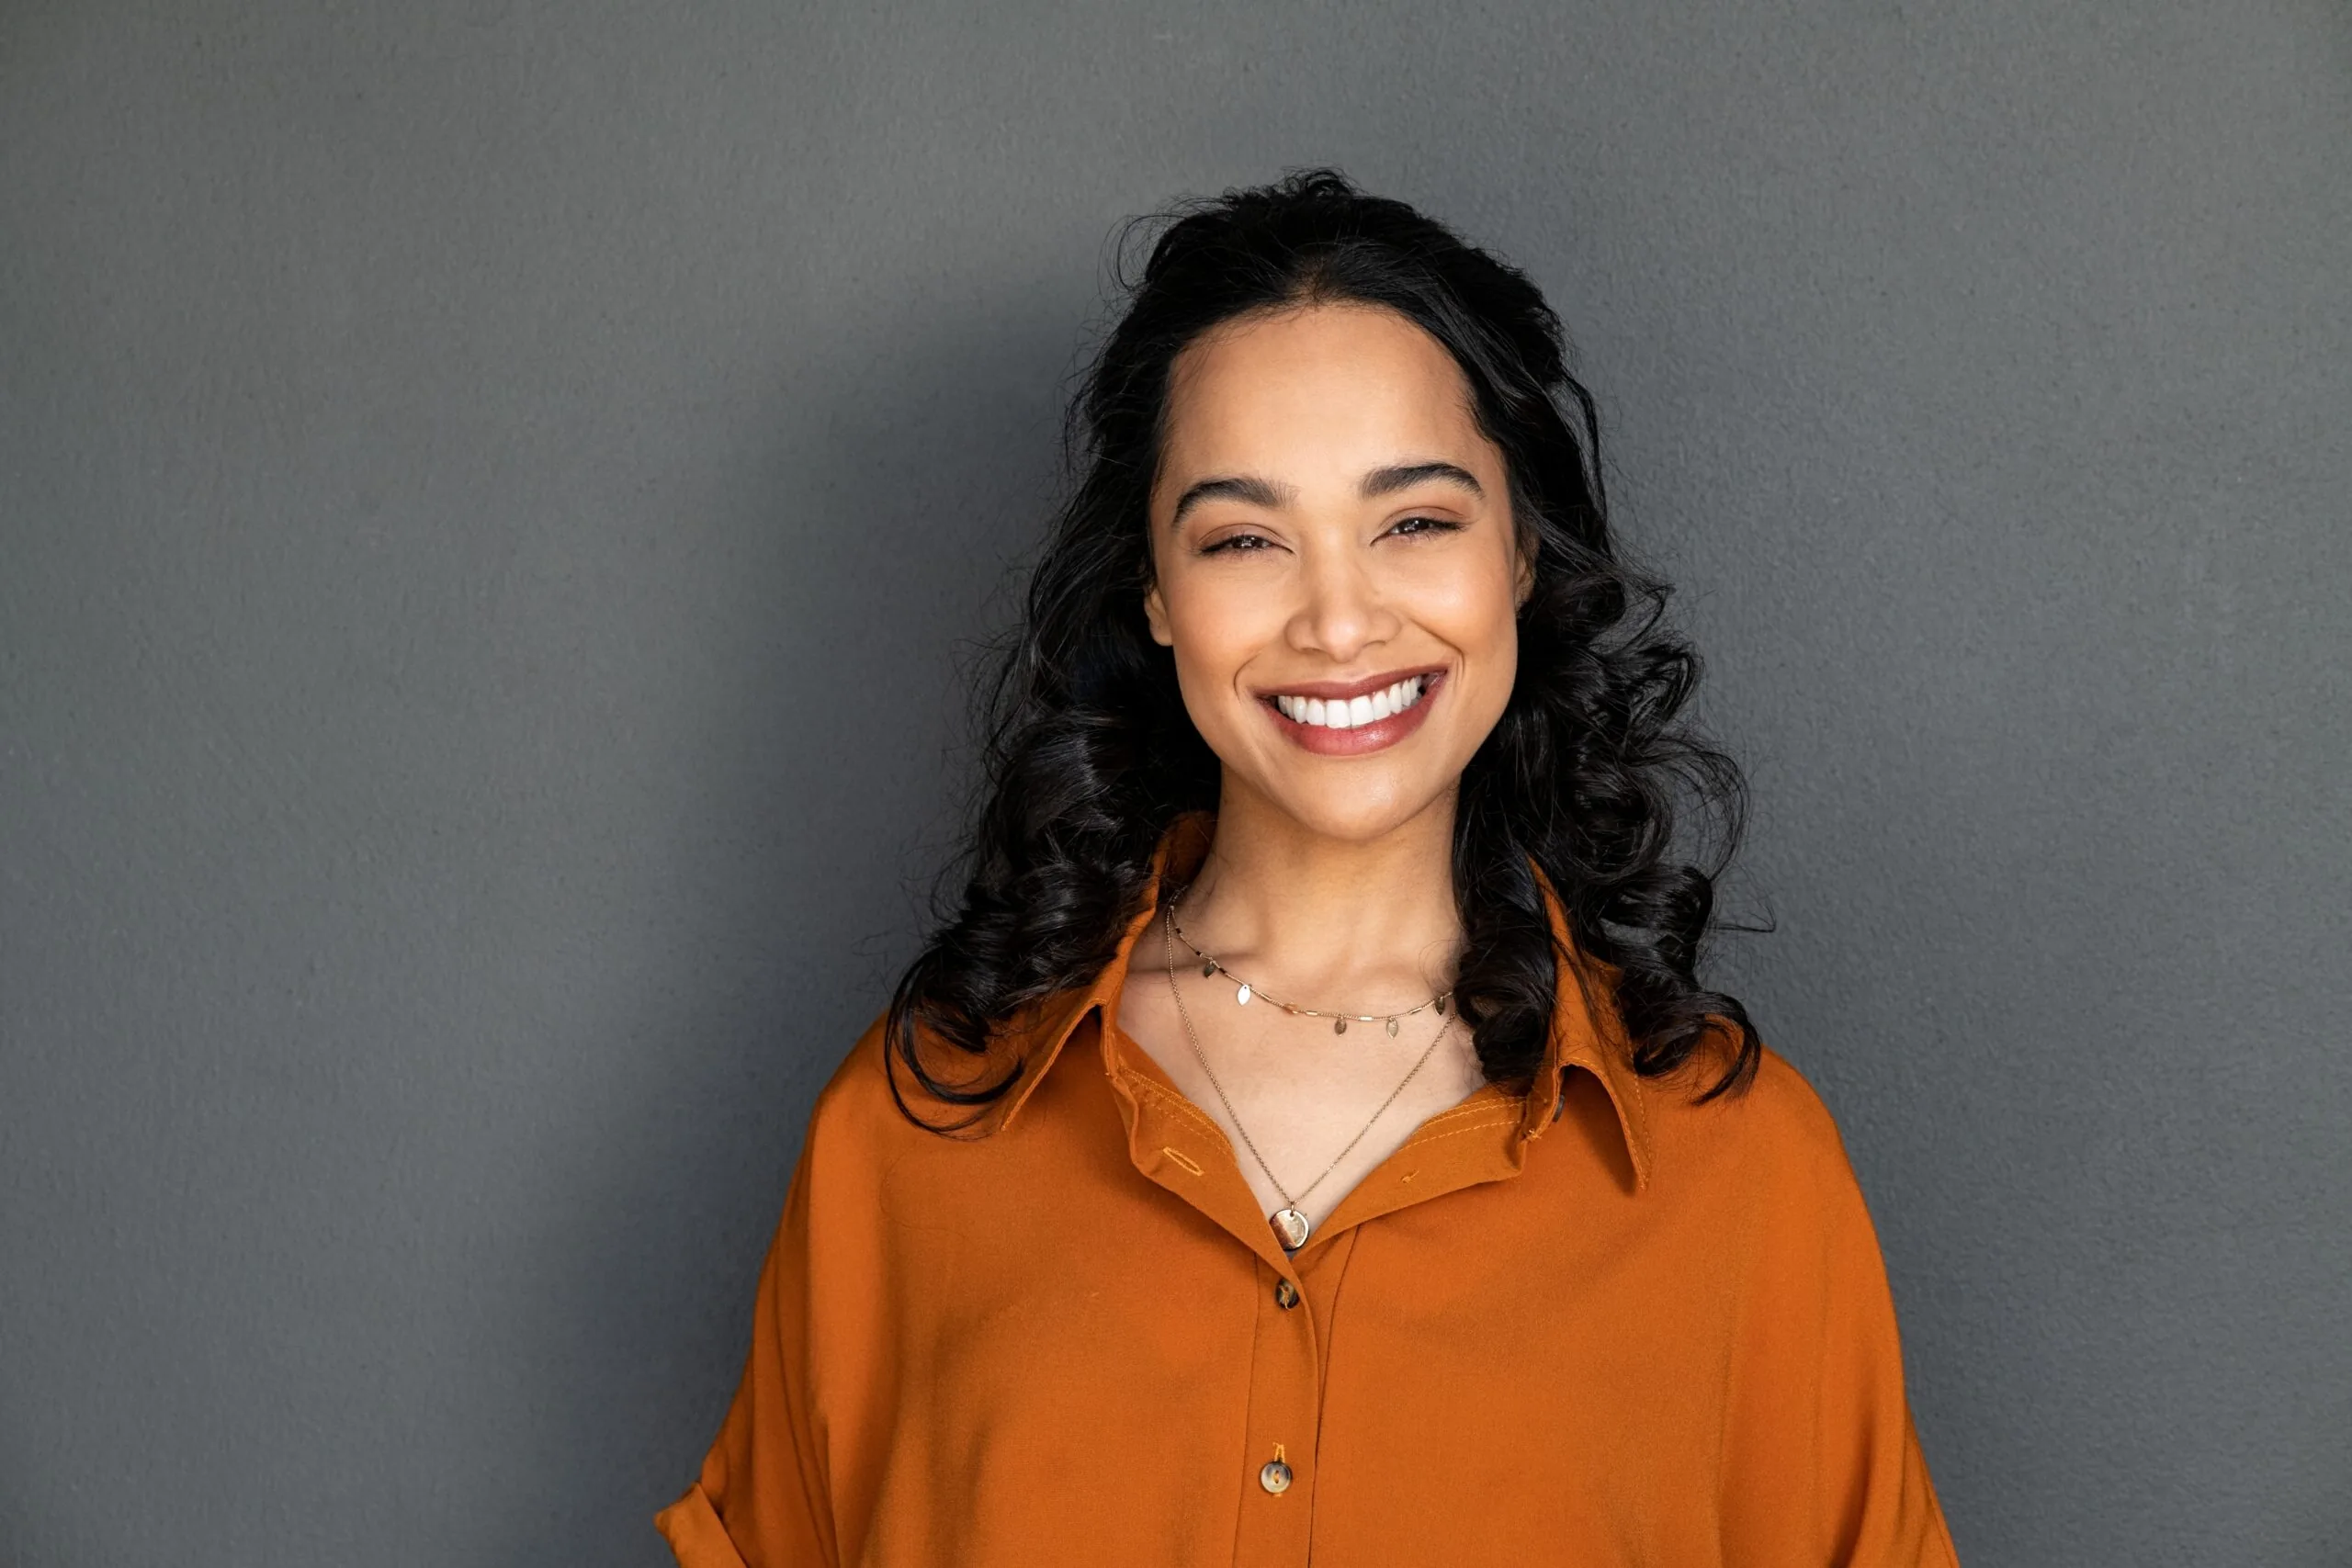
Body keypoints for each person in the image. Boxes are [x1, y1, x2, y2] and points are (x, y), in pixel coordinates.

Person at [656, 168, 1961, 1567]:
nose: (1340, 620)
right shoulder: (910, 1133)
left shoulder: (1745, 1176)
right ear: (1155, 589)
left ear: (1521, 548)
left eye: (1414, 521)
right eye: (1244, 538)